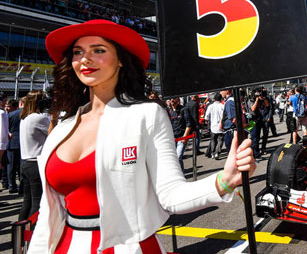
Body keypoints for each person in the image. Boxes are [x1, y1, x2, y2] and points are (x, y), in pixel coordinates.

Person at [30, 19, 256, 253]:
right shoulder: (62, 128)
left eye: (98, 50)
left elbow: (170, 195)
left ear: (120, 60)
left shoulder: (146, 115)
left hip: (131, 247)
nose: (85, 59)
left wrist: (225, 180)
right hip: (63, 245)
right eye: (78, 52)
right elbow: (48, 210)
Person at [18, 91, 50, 221]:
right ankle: (31, 231)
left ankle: (20, 231)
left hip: (26, 162)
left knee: (27, 201)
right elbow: (54, 133)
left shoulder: (25, 118)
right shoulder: (38, 118)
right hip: (35, 162)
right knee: (37, 202)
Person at [7, 98, 22, 194]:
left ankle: (11, 186)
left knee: (11, 166)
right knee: (21, 166)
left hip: (11, 141)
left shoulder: (10, 115)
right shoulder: (25, 114)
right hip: (22, 142)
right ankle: (22, 186)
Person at [205, 93, 225, 159]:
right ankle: (217, 152)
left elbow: (206, 117)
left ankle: (212, 153)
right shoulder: (222, 106)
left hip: (213, 126)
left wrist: (207, 122)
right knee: (220, 140)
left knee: (213, 140)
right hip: (220, 126)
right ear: (220, 99)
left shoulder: (210, 106)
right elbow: (224, 116)